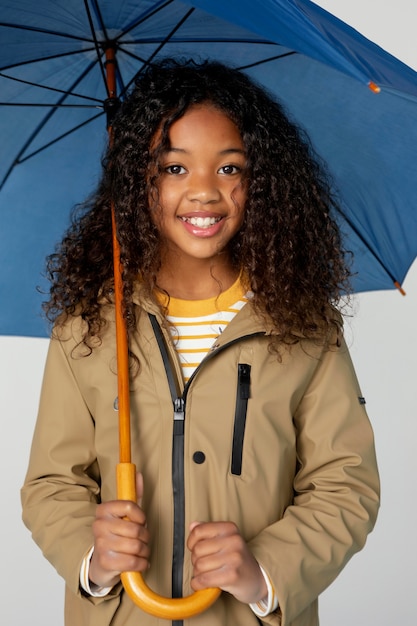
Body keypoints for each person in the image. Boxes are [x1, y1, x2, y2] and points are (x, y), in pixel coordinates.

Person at [21, 59, 379, 626]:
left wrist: (264, 571)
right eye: (173, 167)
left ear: (260, 180)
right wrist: (93, 558)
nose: (204, 192)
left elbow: (345, 483)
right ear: (140, 181)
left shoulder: (305, 328)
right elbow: (51, 482)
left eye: (230, 167)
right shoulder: (87, 328)